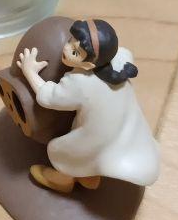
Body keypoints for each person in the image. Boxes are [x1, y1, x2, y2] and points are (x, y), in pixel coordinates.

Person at [15, 18, 160, 193]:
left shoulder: (79, 82)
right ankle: (88, 174)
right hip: (122, 128)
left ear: (89, 65)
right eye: (70, 41)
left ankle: (63, 179)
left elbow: (47, 96)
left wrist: (30, 71)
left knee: (68, 152)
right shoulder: (120, 60)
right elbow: (124, 51)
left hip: (96, 135)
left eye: (75, 53)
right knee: (94, 154)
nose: (66, 49)